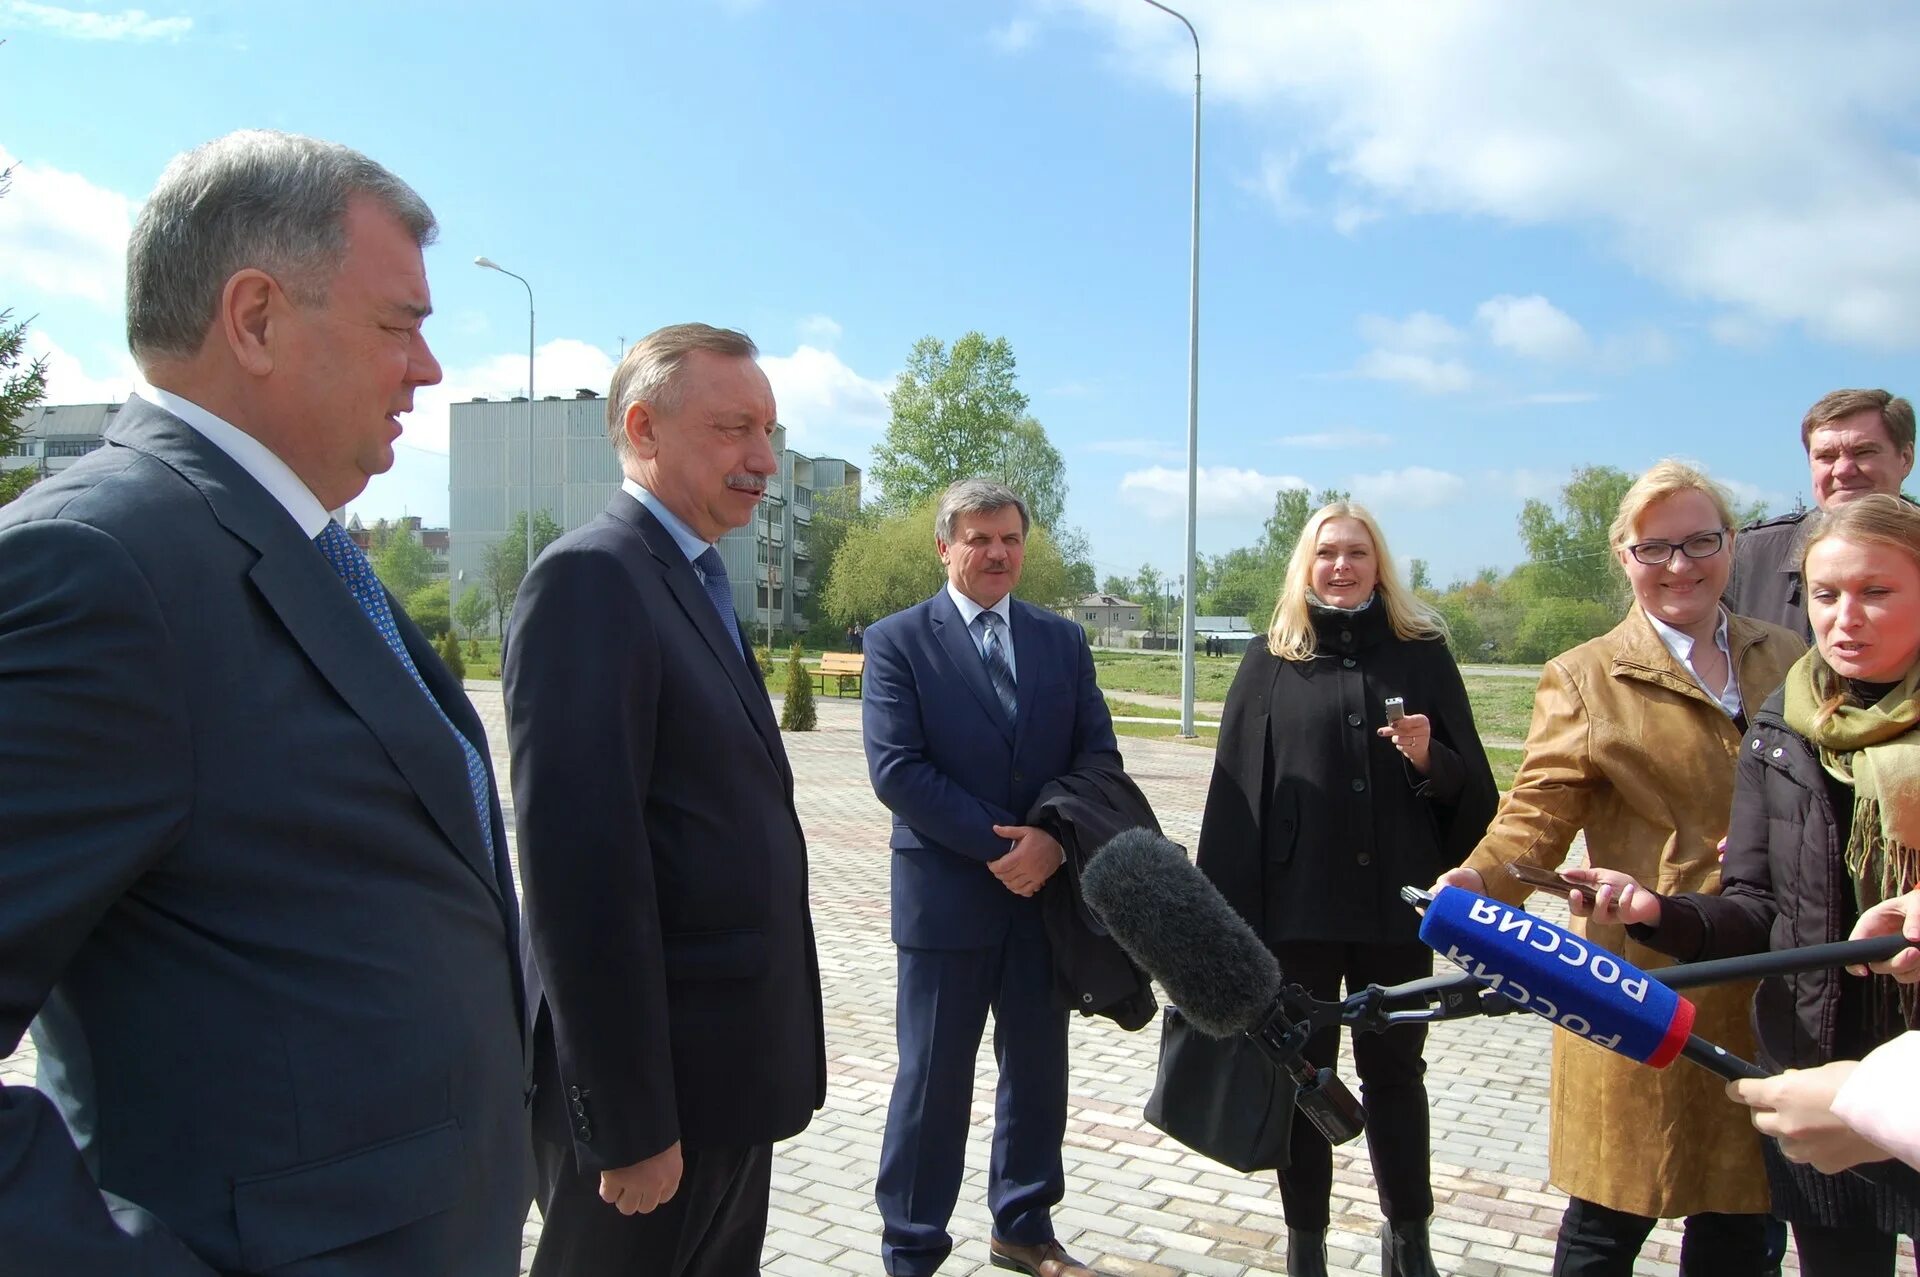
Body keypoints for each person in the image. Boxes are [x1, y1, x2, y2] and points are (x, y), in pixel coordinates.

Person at [0, 131, 531, 1274]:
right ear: (254, 318)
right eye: (400, 324)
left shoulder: (297, 542)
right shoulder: (98, 562)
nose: (429, 368)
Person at [504, 325, 826, 1276]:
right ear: (643, 427)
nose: (764, 459)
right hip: (658, 1108)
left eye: (770, 431)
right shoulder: (592, 579)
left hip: (723, 1082)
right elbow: (579, 876)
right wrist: (631, 1120)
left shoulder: (688, 578)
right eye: (735, 429)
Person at [1434, 460, 1804, 1277]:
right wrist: (1480, 880)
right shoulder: (1586, 674)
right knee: (1609, 1218)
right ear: (1624, 557)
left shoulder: (1788, 657)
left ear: (1732, 546)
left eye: (1701, 540)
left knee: (1745, 1222)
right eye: (1655, 547)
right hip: (1642, 979)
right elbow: (1538, 811)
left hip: (1772, 972)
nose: (1681, 565)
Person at [1578, 494, 1920, 1275]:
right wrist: (1657, 911)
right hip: (1814, 1062)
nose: (1846, 617)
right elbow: (1757, 905)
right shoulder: (1783, 723)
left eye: (1877, 592)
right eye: (1828, 595)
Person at [1197, 501, 1498, 1277]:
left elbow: (1472, 794)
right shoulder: (1272, 659)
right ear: (1307, 564)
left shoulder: (1421, 653)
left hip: (1395, 910)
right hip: (1296, 914)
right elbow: (1235, 799)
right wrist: (1221, 928)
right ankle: (1307, 1243)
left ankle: (1410, 1237)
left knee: (1396, 1072)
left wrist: (1431, 757)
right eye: (1327, 551)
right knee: (1305, 1077)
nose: (1341, 564)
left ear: (1379, 564)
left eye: (1357, 552)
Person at [864, 479, 1121, 1277]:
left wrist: (1049, 840)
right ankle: (911, 1246)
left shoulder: (1061, 642)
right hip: (947, 900)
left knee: (1038, 1070)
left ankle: (1025, 1226)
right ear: (945, 546)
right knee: (934, 1080)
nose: (997, 552)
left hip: (1046, 899)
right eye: (978, 538)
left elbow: (1097, 760)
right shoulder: (899, 639)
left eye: (1009, 538)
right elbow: (897, 770)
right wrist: (999, 847)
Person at [1726, 388, 1914, 638]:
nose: (1843, 470)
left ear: (1906, 458)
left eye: (1863, 452)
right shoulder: (1748, 557)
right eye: (1826, 456)